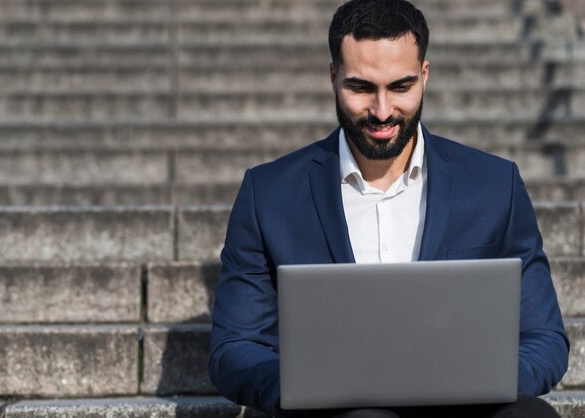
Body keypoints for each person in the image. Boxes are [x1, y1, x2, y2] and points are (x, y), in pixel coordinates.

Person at [208, 0, 570, 417]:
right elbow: (234, 346)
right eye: (361, 88)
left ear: (425, 76)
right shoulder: (269, 193)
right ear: (333, 77)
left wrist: (486, 382)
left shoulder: (494, 187)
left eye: (401, 87)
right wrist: (306, 388)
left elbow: (544, 336)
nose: (382, 112)